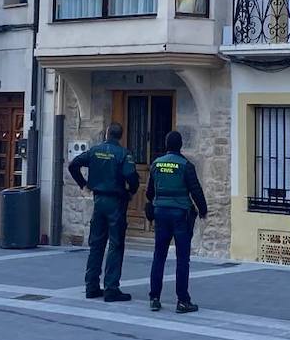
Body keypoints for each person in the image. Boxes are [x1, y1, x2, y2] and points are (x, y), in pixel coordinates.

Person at [68, 122, 140, 302]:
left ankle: (91, 286)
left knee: (96, 244)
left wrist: (83, 184)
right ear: (120, 136)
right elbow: (132, 177)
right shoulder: (123, 154)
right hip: (116, 202)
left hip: (98, 201)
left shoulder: (94, 151)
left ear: (107, 133)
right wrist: (131, 191)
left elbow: (73, 165)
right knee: (116, 245)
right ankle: (111, 288)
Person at [145, 130, 209, 314]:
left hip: (161, 213)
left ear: (166, 145)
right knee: (182, 259)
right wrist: (203, 210)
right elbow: (195, 189)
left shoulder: (156, 164)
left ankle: (154, 298)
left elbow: (149, 193)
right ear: (180, 145)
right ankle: (182, 300)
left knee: (159, 256)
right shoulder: (185, 165)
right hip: (180, 214)